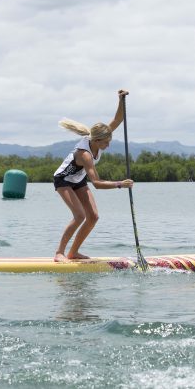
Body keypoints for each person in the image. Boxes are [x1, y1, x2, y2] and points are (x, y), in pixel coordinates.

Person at [53, 89, 134, 262]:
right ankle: (59, 252)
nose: (108, 145)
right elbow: (96, 183)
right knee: (80, 216)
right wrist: (120, 183)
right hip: (63, 180)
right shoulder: (85, 154)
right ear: (96, 141)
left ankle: (73, 253)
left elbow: (118, 119)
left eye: (109, 141)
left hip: (78, 178)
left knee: (93, 216)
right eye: (106, 143)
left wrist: (121, 99)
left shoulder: (101, 134)